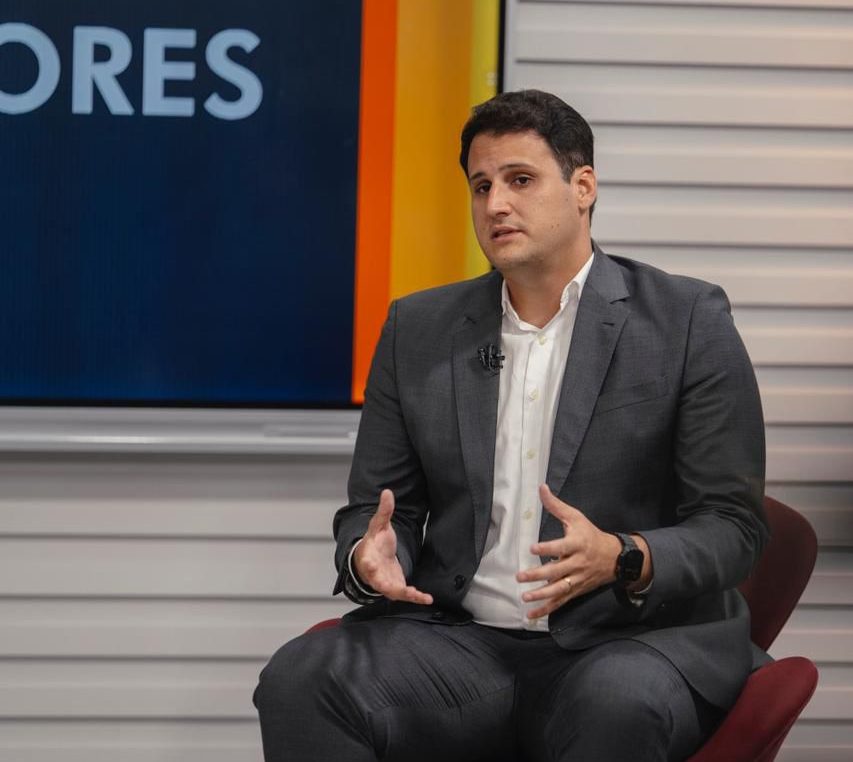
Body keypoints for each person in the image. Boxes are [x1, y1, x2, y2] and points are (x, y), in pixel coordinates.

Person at [254, 89, 768, 762]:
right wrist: (369, 555)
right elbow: (378, 510)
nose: (495, 204)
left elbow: (733, 526)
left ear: (583, 187)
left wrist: (624, 554)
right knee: (301, 679)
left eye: (520, 180)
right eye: (481, 186)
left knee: (615, 703)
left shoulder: (685, 319)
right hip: (464, 642)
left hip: (631, 641)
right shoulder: (418, 329)